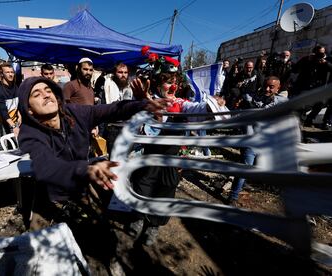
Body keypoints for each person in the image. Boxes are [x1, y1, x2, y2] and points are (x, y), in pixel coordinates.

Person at [17, 76, 167, 226]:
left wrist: (141, 105)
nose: (46, 95)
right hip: (53, 194)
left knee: (95, 231)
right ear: (28, 109)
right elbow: (46, 167)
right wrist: (86, 169)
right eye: (37, 94)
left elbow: (110, 110)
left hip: (81, 185)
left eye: (48, 90)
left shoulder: (74, 113)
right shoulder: (29, 132)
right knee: (42, 243)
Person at [127, 54, 226, 245]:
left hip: (171, 159)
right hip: (149, 156)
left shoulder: (181, 103)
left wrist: (211, 105)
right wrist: (147, 104)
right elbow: (147, 124)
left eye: (174, 82)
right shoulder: (145, 100)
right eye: (167, 83)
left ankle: (154, 225)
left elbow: (197, 109)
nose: (172, 87)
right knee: (143, 185)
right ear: (157, 84)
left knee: (166, 189)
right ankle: (138, 218)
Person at [228, 76, 288, 205]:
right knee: (244, 169)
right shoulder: (252, 99)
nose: (267, 89)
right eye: (266, 86)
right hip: (252, 141)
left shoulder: (282, 102)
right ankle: (233, 196)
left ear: (278, 88)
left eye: (271, 87)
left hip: (269, 143)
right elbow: (238, 108)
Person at [293, 45, 332, 128]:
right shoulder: (306, 59)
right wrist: (307, 60)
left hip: (318, 87)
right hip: (305, 86)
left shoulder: (326, 62)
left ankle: (309, 119)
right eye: (318, 53)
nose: (320, 55)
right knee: (303, 105)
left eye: (322, 53)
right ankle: (299, 121)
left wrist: (325, 63)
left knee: (321, 103)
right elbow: (295, 69)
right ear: (314, 52)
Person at [0, 63, 21, 150]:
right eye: (7, 72)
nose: (10, 74)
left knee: (18, 145)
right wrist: (13, 126)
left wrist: (19, 115)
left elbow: (17, 104)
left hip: (13, 120)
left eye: (12, 72)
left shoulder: (15, 87)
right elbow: (2, 111)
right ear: (2, 74)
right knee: (3, 147)